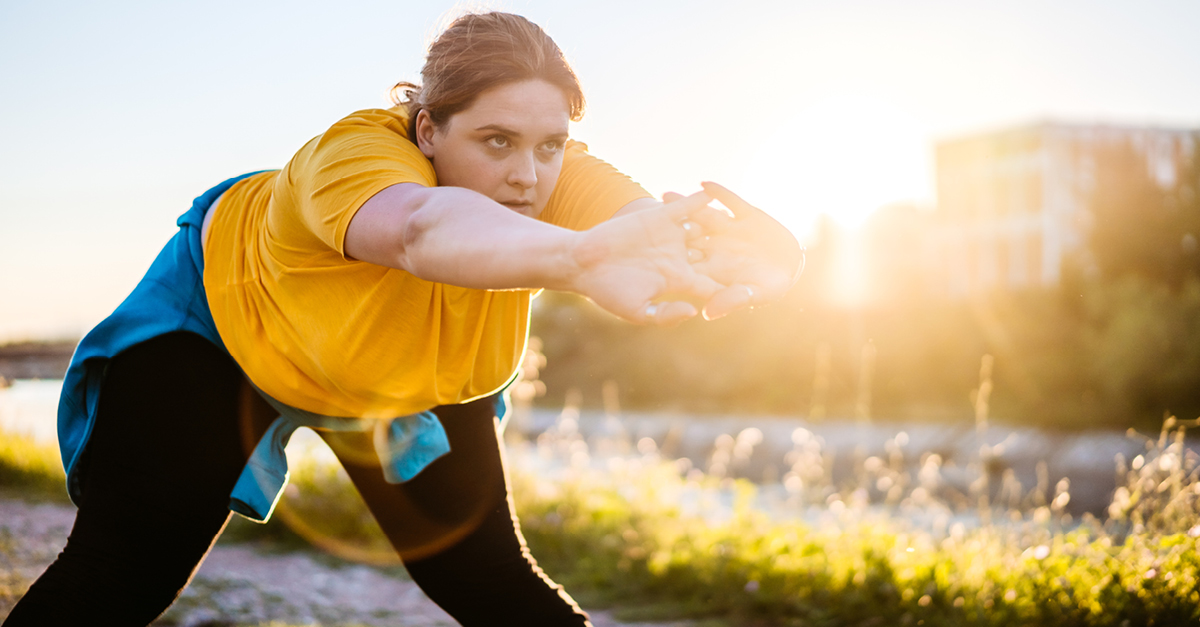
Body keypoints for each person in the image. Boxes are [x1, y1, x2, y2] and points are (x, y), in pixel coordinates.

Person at [4, 11, 802, 627]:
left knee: (487, 577)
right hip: (230, 330)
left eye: (551, 144)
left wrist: (760, 263)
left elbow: (655, 237)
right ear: (427, 128)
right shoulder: (349, 158)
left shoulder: (552, 173)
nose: (528, 175)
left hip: (393, 366)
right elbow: (422, 228)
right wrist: (579, 260)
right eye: (495, 141)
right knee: (123, 573)